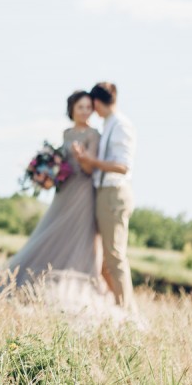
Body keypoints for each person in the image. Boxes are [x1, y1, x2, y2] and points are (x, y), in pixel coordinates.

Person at [0, 91, 104, 293]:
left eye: (88, 108)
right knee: (50, 230)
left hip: (83, 191)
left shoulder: (94, 135)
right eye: (81, 107)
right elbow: (61, 163)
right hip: (64, 189)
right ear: (72, 109)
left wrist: (82, 158)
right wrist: (46, 173)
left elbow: (90, 169)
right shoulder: (67, 133)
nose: (85, 112)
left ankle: (68, 285)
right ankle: (33, 279)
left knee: (76, 235)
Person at [74, 82, 137, 312]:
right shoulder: (109, 124)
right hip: (103, 194)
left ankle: (128, 313)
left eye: (93, 106)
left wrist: (91, 162)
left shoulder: (121, 125)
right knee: (103, 260)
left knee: (115, 257)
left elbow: (123, 166)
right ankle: (118, 307)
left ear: (98, 103)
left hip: (114, 194)